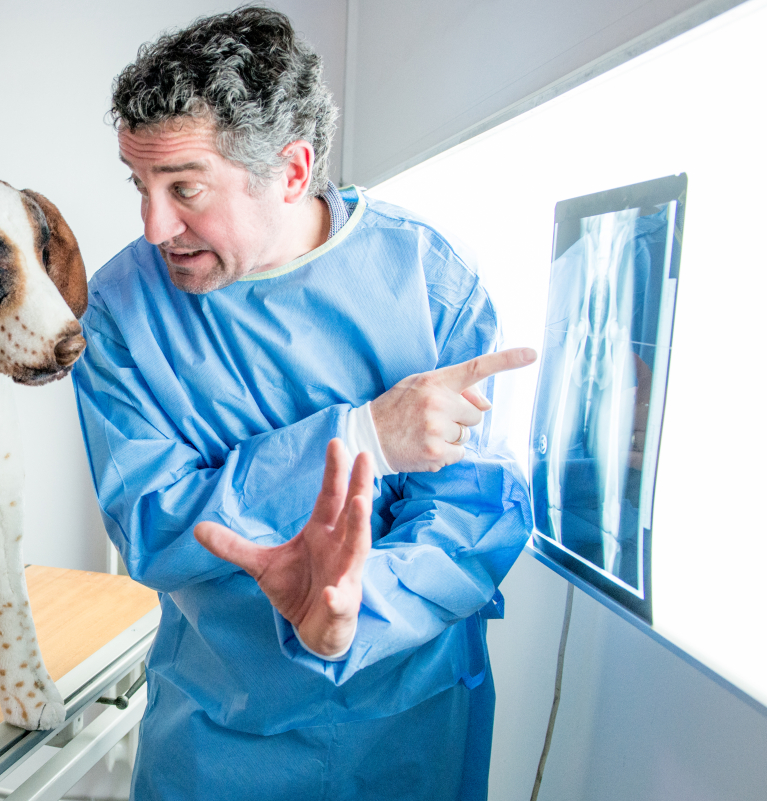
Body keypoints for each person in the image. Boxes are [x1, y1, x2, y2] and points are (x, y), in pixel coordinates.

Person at [71, 7, 535, 800]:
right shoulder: (122, 308)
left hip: (408, 725)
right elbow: (152, 520)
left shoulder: (426, 279)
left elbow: (476, 511)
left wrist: (356, 610)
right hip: (220, 732)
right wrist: (363, 436)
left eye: (184, 187)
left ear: (292, 170)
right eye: (139, 184)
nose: (153, 226)